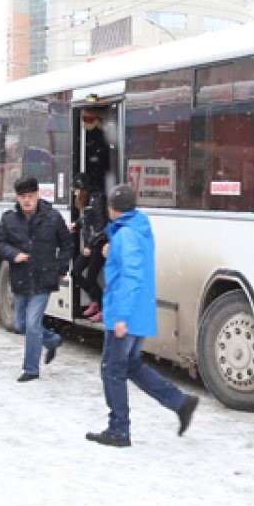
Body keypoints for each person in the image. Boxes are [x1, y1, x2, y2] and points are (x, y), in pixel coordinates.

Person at [86, 183, 198, 448]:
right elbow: (134, 262)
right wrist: (111, 251)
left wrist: (121, 317)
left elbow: (131, 276)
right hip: (140, 312)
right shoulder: (139, 228)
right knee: (131, 366)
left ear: (113, 209)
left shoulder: (125, 235)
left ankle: (119, 430)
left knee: (112, 370)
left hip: (126, 314)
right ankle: (180, 402)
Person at [0, 176, 72, 382]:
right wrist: (13, 254)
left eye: (30, 196)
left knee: (32, 323)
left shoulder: (52, 217)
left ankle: (31, 368)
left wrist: (61, 268)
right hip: (20, 278)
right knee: (20, 324)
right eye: (23, 197)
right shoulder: (8, 218)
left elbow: (66, 244)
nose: (27, 201)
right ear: (17, 198)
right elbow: (0, 243)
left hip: (44, 277)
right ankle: (52, 340)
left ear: (38, 195)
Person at [69, 173, 108, 321]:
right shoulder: (88, 200)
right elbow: (87, 217)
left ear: (83, 189)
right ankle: (95, 301)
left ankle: (103, 307)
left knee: (91, 277)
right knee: (75, 273)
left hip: (98, 244)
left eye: (76, 189)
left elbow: (100, 225)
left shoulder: (97, 199)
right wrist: (77, 224)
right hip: (90, 243)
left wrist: (90, 246)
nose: (74, 192)